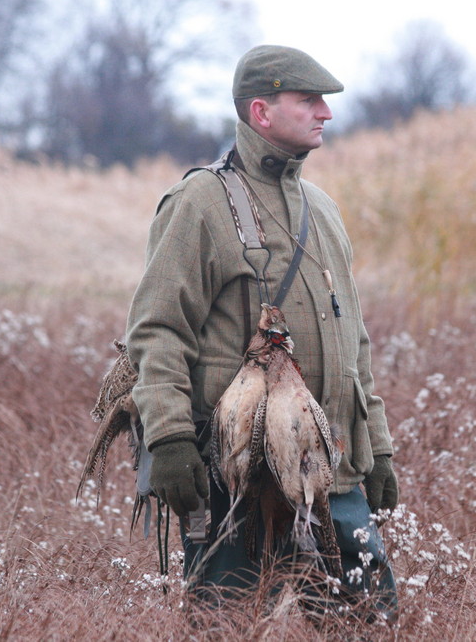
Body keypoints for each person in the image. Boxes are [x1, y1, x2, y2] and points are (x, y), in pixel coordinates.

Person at [125, 45, 398, 613]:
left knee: (369, 621)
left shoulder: (321, 209)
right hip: (236, 477)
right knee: (226, 623)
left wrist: (379, 448)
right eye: (309, 100)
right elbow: (157, 331)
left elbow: (356, 342)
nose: (326, 113)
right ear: (261, 112)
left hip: (332, 469)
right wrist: (171, 440)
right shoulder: (200, 202)